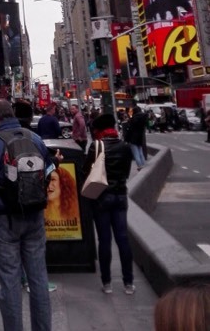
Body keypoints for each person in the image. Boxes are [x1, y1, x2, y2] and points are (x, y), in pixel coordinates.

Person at [0, 98, 53, 331]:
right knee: (39, 279)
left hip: (4, 219)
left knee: (9, 281)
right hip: (35, 216)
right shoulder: (35, 138)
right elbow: (49, 170)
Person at [82, 113, 135, 295]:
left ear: (99, 130)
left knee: (104, 240)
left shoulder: (96, 146)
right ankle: (128, 283)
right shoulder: (125, 147)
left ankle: (107, 283)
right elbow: (127, 172)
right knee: (123, 239)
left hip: (101, 197)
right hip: (120, 196)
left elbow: (84, 171)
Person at [124, 104, 148, 171]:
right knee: (140, 152)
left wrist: (126, 139)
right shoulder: (143, 118)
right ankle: (143, 165)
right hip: (140, 137)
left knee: (136, 153)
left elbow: (129, 130)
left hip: (133, 138)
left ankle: (140, 166)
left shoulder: (133, 119)